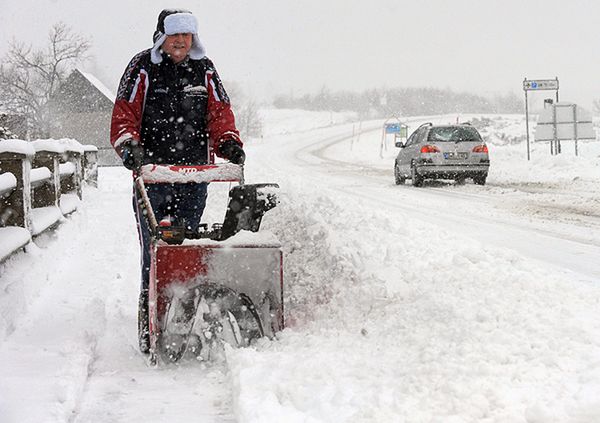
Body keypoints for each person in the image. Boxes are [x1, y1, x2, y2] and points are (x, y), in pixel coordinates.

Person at [110, 8, 245, 354]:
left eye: (187, 35)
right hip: (152, 176)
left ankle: (182, 318)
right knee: (155, 251)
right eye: (175, 35)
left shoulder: (205, 69)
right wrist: (129, 146)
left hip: (194, 177)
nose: (182, 41)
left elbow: (220, 112)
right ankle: (151, 320)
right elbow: (124, 112)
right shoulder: (142, 68)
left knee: (185, 247)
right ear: (161, 37)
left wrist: (227, 141)